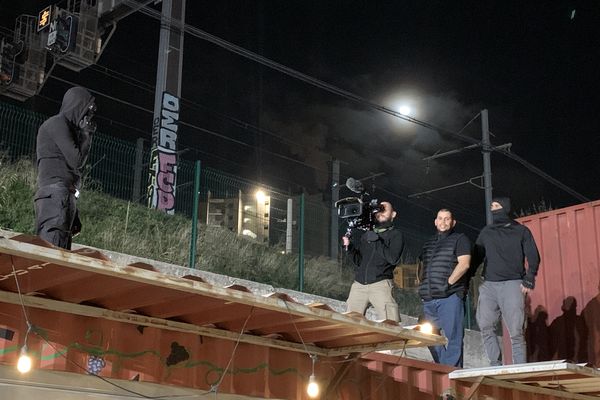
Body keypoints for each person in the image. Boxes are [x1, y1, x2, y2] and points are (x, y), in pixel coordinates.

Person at [474, 197, 541, 366]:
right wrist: (466, 279)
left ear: (505, 208)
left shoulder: (521, 231)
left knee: (516, 331)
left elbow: (533, 256)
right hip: (489, 285)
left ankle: (519, 367)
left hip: (512, 283)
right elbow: (476, 257)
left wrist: (529, 279)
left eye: (497, 206)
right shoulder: (486, 232)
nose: (493, 210)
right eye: (492, 207)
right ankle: (495, 364)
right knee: (485, 325)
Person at [34, 86, 97, 250]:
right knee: (52, 257)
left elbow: (72, 168)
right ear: (77, 106)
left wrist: (72, 211)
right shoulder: (57, 124)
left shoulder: (65, 127)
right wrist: (85, 135)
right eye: (86, 111)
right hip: (56, 196)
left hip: (61, 197)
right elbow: (77, 161)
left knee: (59, 253)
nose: (88, 117)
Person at [418, 209, 471, 367]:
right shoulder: (428, 243)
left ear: (453, 222)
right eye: (440, 219)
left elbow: (464, 264)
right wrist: (421, 285)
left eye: (447, 219)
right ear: (435, 221)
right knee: (427, 334)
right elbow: (421, 266)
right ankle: (445, 367)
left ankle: (452, 374)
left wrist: (448, 283)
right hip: (429, 298)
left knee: (453, 337)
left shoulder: (460, 239)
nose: (443, 222)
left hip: (450, 297)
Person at [342, 201, 404, 322]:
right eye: (378, 210)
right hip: (359, 285)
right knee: (349, 322)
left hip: (381, 284)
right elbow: (360, 261)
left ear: (393, 214)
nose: (380, 212)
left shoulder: (396, 234)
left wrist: (377, 241)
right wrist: (349, 248)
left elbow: (393, 258)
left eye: (384, 209)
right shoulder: (367, 235)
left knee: (391, 323)